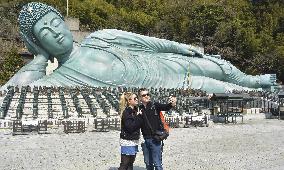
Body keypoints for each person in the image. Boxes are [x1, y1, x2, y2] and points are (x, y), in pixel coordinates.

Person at [1, 2, 277, 93]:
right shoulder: (61, 78)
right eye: (43, 33)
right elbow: (11, 92)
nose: (55, 33)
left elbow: (148, 42)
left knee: (216, 65)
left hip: (162, 62)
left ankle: (253, 80)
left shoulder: (100, 37)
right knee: (219, 87)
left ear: (63, 21)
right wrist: (39, 58)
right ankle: (252, 88)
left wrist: (182, 47)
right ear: (37, 41)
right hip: (166, 85)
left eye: (54, 23)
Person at [138, 88, 176, 170]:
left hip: (155, 139)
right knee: (148, 163)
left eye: (147, 94)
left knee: (157, 164)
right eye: (144, 95)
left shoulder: (155, 105)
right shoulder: (139, 109)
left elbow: (166, 107)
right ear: (140, 98)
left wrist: (172, 103)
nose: (146, 96)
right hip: (145, 140)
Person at [113, 92, 143, 170]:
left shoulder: (134, 110)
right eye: (134, 98)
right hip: (127, 142)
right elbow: (131, 127)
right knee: (124, 165)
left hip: (133, 141)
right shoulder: (127, 112)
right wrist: (139, 117)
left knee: (130, 165)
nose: (136, 99)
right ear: (129, 101)